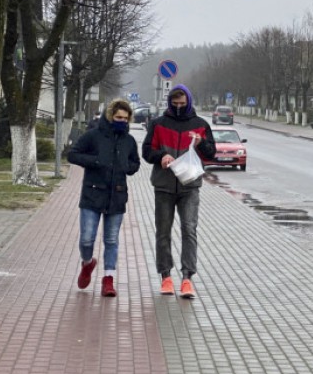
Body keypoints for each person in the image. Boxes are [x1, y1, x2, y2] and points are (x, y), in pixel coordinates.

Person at [141, 84, 215, 299]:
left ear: (189, 101)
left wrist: (201, 143)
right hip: (164, 185)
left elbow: (211, 154)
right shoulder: (158, 124)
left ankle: (187, 278)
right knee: (163, 231)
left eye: (182, 103)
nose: (179, 107)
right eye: (175, 104)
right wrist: (161, 156)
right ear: (169, 103)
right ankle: (165, 276)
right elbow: (147, 151)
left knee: (189, 229)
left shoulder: (201, 125)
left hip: (190, 186)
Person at [67, 98, 141, 297]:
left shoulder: (129, 141)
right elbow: (72, 154)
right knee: (87, 239)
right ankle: (87, 263)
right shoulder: (93, 135)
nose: (121, 121)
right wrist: (96, 161)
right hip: (92, 194)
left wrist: (128, 167)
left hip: (117, 195)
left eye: (125, 119)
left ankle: (108, 279)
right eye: (118, 117)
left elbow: (135, 163)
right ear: (110, 116)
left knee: (111, 239)